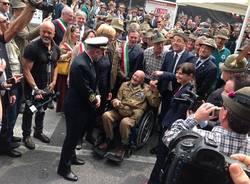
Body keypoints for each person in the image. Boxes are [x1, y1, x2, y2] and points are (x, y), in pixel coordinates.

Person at [57, 36, 108, 182]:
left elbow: (95, 82)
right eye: (102, 51)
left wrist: (97, 94)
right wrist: (95, 98)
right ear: (96, 51)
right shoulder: (80, 64)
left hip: (83, 107)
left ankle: (71, 158)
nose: (104, 55)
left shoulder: (90, 61)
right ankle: (63, 168)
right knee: (71, 138)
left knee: (77, 135)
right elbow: (84, 88)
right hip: (76, 107)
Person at [0, 0, 45, 158]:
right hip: (7, 83)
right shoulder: (5, 36)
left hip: (14, 80)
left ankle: (9, 136)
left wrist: (31, 8)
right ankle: (5, 144)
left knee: (12, 114)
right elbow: (17, 28)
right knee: (9, 115)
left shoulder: (6, 37)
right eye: (4, 21)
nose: (8, 22)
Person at [147, 62, 196, 184]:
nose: (178, 76)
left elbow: (179, 115)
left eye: (181, 74)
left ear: (190, 76)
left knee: (162, 157)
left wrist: (168, 129)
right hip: (168, 124)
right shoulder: (183, 86)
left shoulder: (187, 92)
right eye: (177, 73)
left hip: (170, 128)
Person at [95, 70, 160, 160]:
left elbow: (155, 104)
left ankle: (123, 146)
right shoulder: (124, 85)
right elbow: (118, 98)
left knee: (124, 122)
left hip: (133, 114)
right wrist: (116, 102)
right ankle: (109, 139)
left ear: (142, 80)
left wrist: (155, 91)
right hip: (121, 110)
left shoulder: (146, 89)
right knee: (106, 115)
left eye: (137, 77)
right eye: (134, 75)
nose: (134, 77)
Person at [22, 21, 60, 150]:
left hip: (47, 88)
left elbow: (56, 66)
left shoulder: (56, 48)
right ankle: (26, 136)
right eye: (44, 31)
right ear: (39, 31)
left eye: (49, 32)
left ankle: (38, 132)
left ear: (54, 34)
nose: (46, 34)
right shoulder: (32, 47)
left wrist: (54, 82)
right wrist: (35, 89)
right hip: (33, 89)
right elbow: (26, 70)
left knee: (42, 110)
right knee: (29, 111)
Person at [56, 25, 80, 112]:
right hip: (65, 73)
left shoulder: (78, 44)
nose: (78, 34)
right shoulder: (63, 45)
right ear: (71, 33)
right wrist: (68, 54)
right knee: (64, 92)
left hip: (74, 71)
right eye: (76, 32)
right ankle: (64, 109)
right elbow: (58, 57)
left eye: (79, 32)